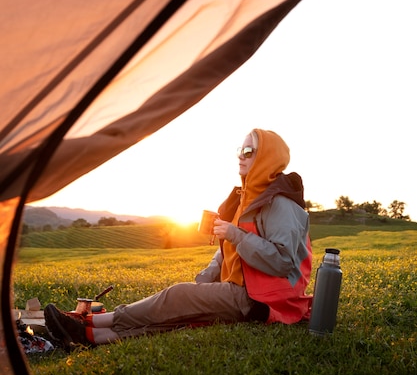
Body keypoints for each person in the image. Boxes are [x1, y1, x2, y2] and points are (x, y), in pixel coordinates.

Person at [44, 129, 313, 351]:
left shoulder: (280, 205)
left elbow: (283, 262)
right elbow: (228, 251)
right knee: (184, 316)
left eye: (248, 152)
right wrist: (206, 279)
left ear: (267, 157)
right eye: (240, 151)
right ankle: (91, 337)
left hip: (263, 299)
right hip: (242, 289)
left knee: (176, 296)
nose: (240, 157)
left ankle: (90, 320)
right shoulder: (247, 198)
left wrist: (234, 234)